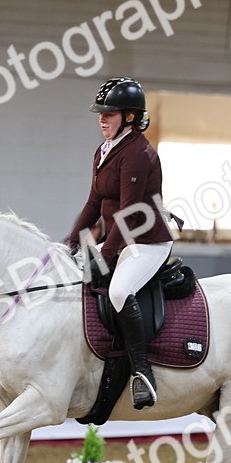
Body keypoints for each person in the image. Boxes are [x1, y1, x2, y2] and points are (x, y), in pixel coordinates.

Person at [65, 77, 174, 410]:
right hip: (119, 238)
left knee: (118, 291)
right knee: (72, 278)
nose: (102, 120)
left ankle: (142, 371)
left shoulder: (138, 153)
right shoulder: (104, 151)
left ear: (129, 117)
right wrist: (71, 242)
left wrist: (105, 256)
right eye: (100, 114)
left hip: (147, 241)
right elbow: (93, 202)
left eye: (109, 114)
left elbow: (128, 213)